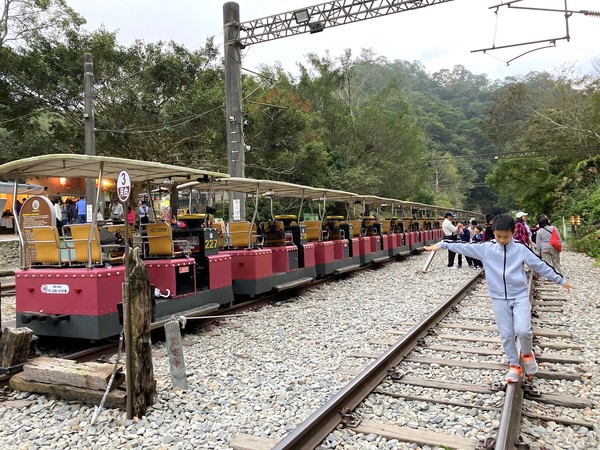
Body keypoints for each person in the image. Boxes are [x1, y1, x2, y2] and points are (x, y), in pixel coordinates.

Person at [424, 214, 574, 383]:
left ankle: (527, 353)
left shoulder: (520, 248)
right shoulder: (486, 248)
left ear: (512, 233)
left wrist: (561, 281)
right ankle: (513, 365)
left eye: (506, 236)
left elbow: (540, 265)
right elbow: (462, 246)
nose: (502, 240)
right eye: (498, 236)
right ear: (493, 232)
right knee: (507, 334)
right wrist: (441, 245)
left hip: (519, 296)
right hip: (499, 298)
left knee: (523, 330)